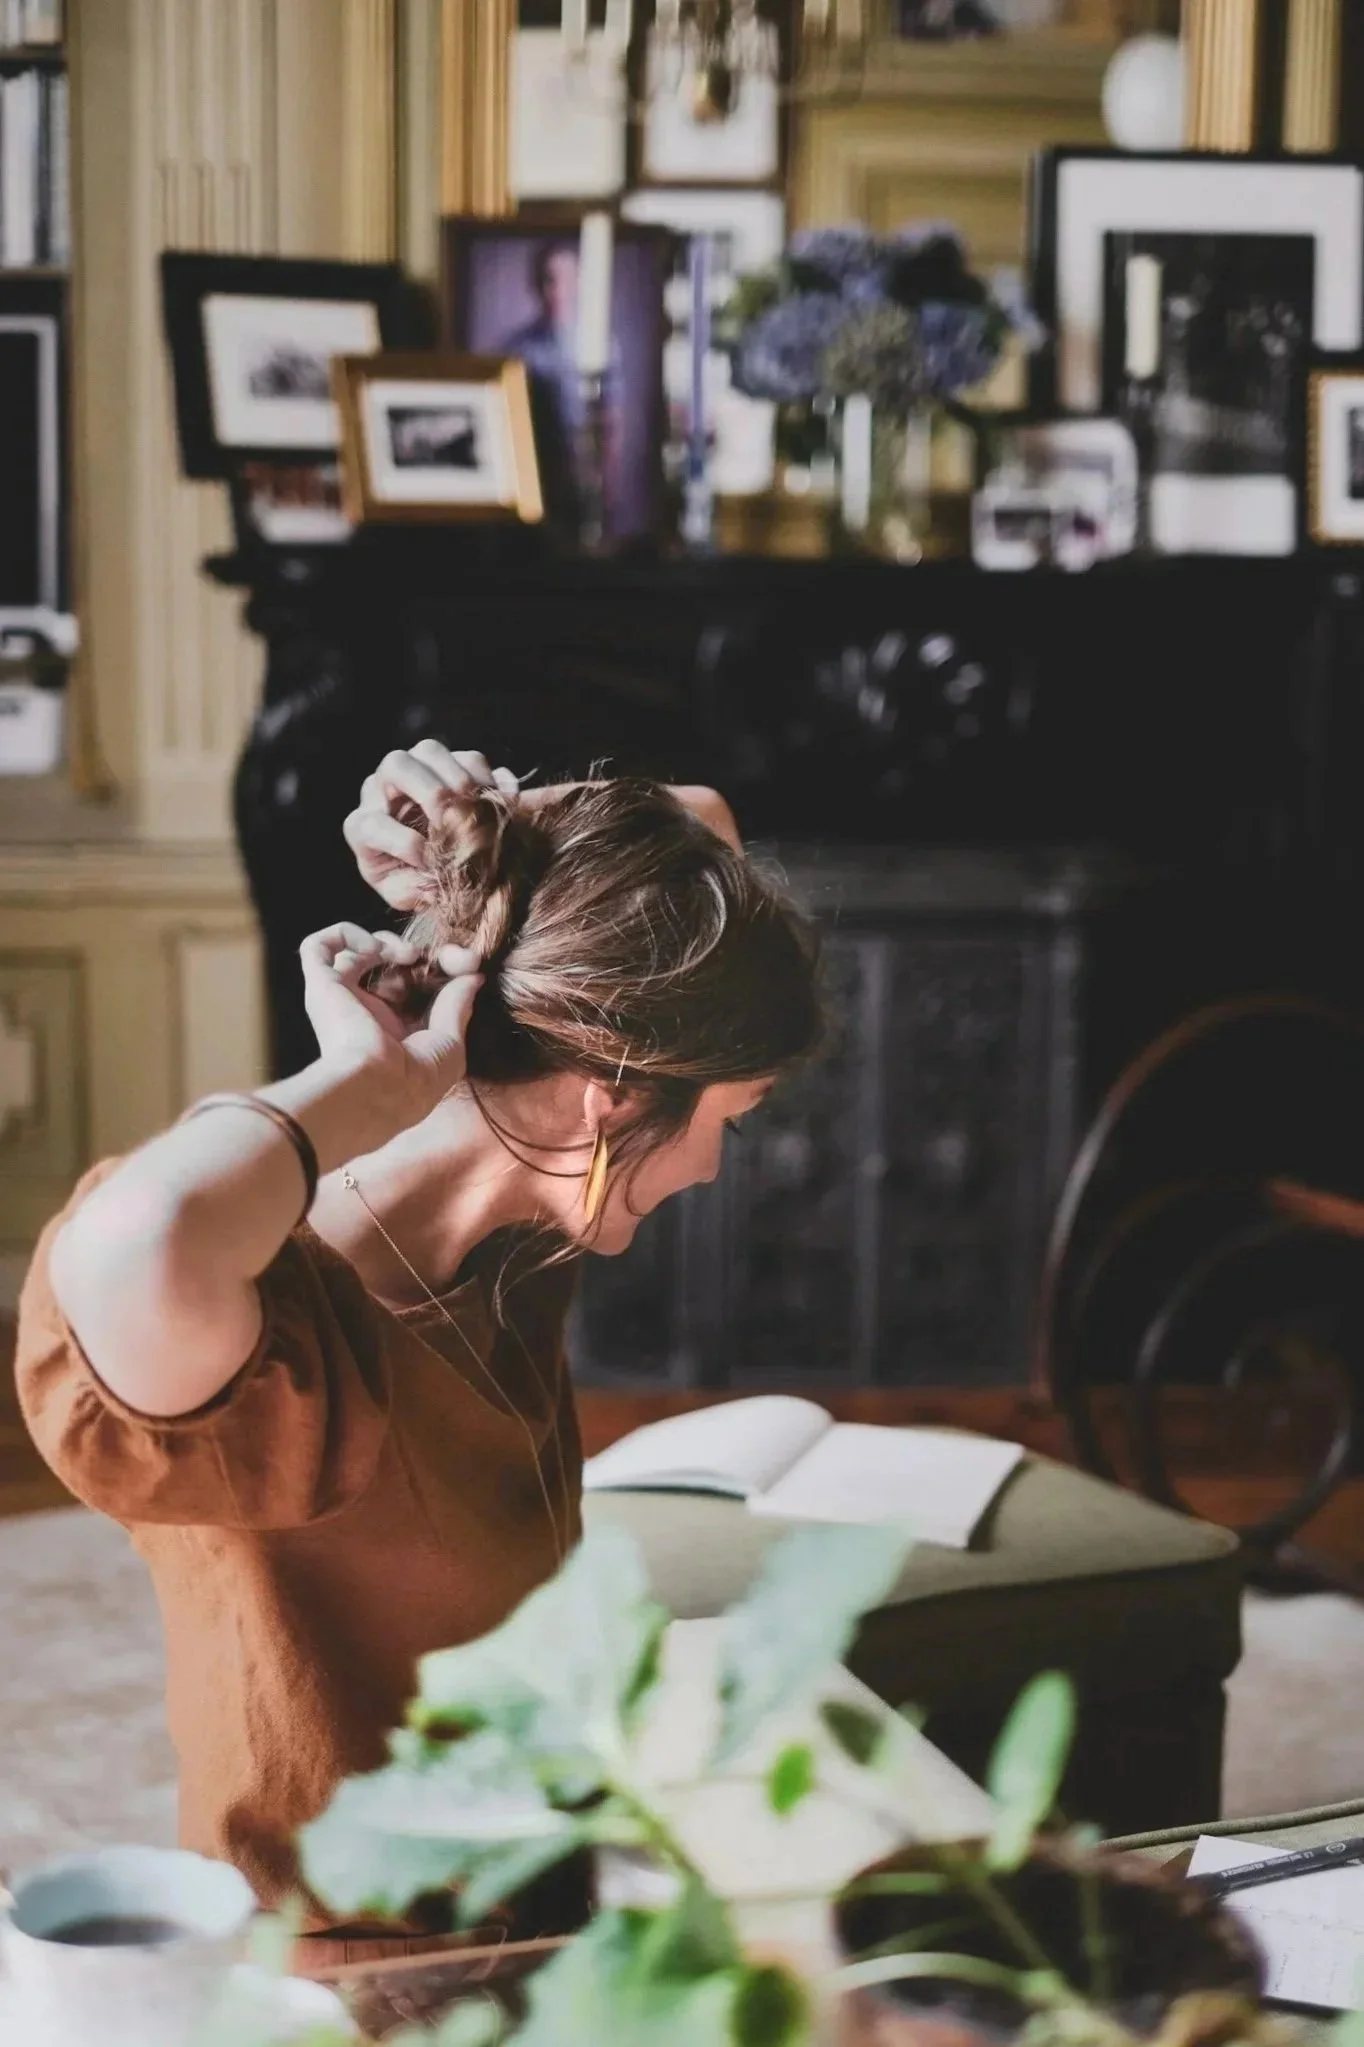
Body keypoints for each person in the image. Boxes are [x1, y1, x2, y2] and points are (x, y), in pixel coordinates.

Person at [13, 744, 822, 1958]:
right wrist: (356, 1080)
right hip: (363, 1974)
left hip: (543, 1896)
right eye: (726, 1120)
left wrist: (470, 835)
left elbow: (701, 822)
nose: (710, 1167)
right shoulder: (268, 1344)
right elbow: (141, 1233)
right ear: (608, 1095)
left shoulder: (514, 1226)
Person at [496, 239, 623, 531]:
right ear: (536, 285)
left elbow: (612, 418)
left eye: (564, 279)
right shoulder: (517, 350)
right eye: (548, 280)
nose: (556, 290)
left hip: (583, 475)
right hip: (535, 474)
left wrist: (608, 481)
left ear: (577, 283)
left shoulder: (601, 344)